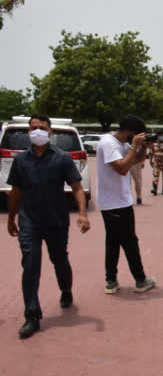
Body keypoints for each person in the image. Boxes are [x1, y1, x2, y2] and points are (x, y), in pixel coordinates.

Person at [7, 114, 91, 339]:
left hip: (55, 220)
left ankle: (66, 289)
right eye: (33, 127)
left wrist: (82, 213)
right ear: (28, 131)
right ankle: (32, 316)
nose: (37, 131)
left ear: (50, 132)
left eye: (42, 128)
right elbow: (16, 192)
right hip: (29, 221)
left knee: (59, 260)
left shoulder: (62, 158)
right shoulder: (21, 160)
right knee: (31, 263)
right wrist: (10, 218)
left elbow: (76, 187)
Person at [96, 115, 157, 295]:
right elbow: (122, 169)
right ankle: (140, 280)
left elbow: (136, 160)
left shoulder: (122, 144)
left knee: (113, 242)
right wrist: (134, 146)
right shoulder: (108, 143)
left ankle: (111, 281)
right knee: (130, 242)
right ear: (130, 133)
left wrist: (143, 148)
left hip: (118, 201)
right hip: (115, 203)